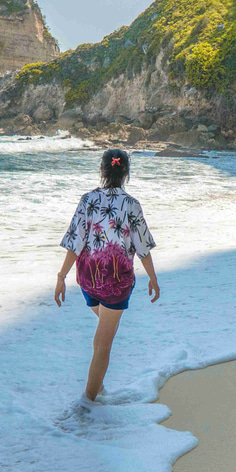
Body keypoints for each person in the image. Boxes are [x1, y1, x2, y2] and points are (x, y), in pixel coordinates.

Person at [55, 149, 159, 402]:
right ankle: (87, 403)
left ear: (102, 170)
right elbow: (142, 246)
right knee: (104, 343)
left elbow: (75, 242)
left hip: (87, 279)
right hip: (115, 282)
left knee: (102, 332)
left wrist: (61, 276)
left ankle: (98, 386)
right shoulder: (131, 204)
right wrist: (153, 278)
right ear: (126, 173)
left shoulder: (87, 199)